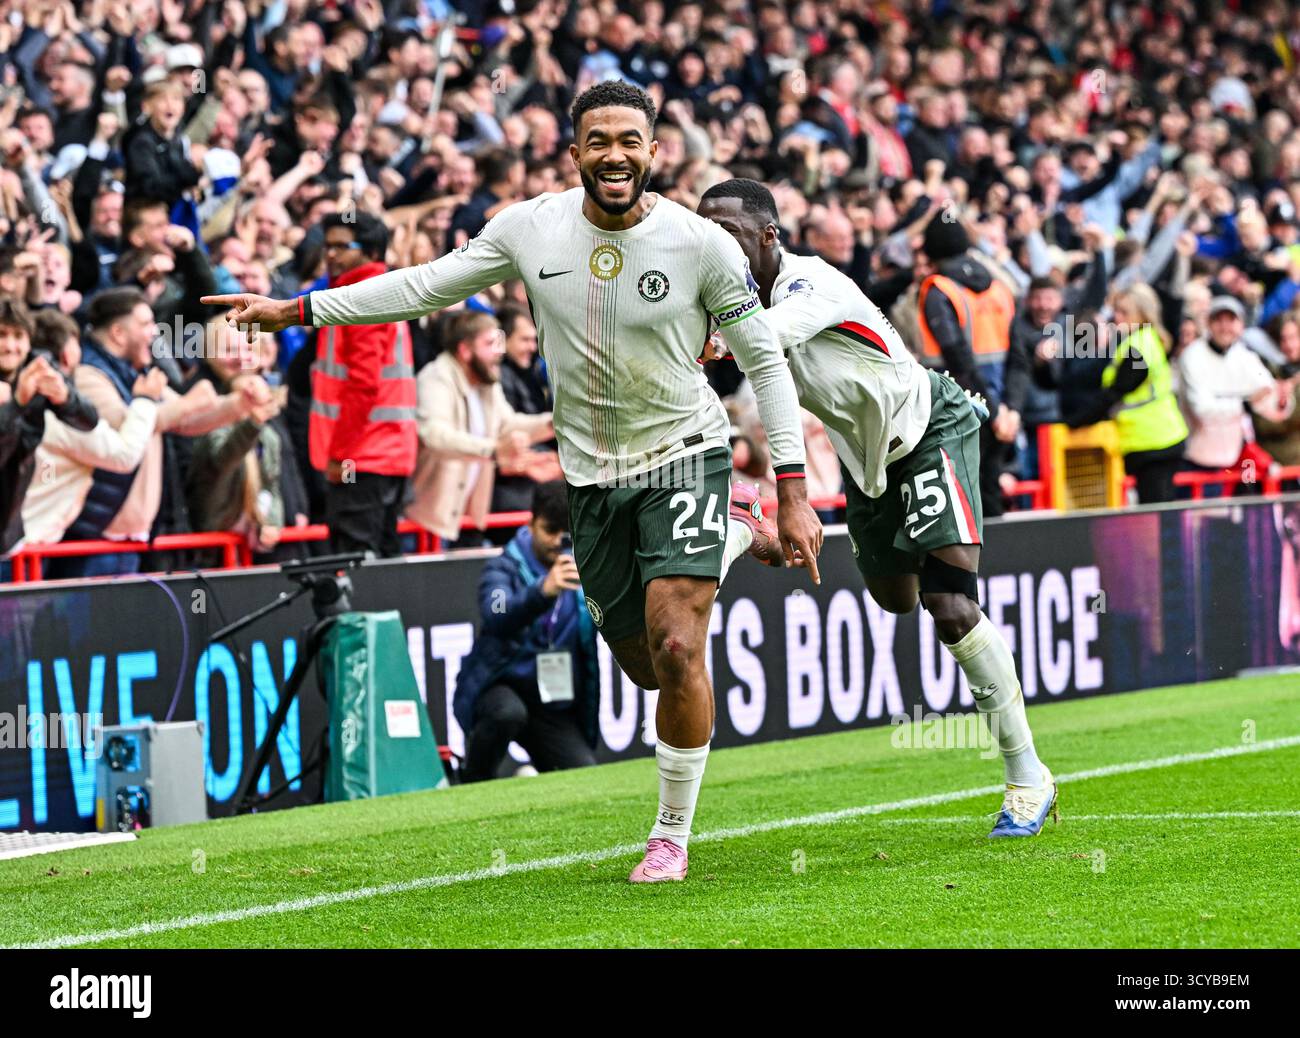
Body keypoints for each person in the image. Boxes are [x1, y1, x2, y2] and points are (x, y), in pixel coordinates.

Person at [205, 81, 823, 885]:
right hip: (594, 479)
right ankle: (738, 535)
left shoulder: (701, 245)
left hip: (686, 454)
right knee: (642, 663)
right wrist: (299, 310)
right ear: (574, 154)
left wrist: (794, 487)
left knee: (679, 644)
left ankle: (669, 835)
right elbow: (423, 285)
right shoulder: (530, 228)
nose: (615, 155)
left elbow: (766, 362)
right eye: (598, 140)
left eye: (630, 140)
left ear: (654, 152)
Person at [698, 178, 1056, 838]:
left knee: (950, 605)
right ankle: (929, 562)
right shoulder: (725, 301)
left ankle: (1027, 775)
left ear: (768, 237)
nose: (714, 246)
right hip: (867, 469)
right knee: (897, 599)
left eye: (729, 234)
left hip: (927, 428)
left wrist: (709, 343)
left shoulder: (810, 285)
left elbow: (765, 339)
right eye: (705, 234)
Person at [454, 480, 599, 782]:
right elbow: (496, 616)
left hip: (549, 700)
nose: (557, 541)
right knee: (507, 713)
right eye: (549, 531)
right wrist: (541, 592)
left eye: (565, 534)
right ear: (531, 522)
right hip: (499, 687)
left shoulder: (582, 565)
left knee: (583, 777)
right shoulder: (502, 567)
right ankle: (471, 781)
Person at [309, 212, 418, 557]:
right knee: (380, 562)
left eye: (343, 246)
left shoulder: (360, 297)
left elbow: (363, 385)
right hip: (381, 454)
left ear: (372, 253)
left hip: (362, 456)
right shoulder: (368, 293)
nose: (331, 255)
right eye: (327, 246)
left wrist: (340, 456)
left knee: (354, 564)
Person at [407, 310, 555, 548]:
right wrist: (495, 450)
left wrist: (555, 423)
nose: (499, 352)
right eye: (489, 344)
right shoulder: (436, 377)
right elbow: (434, 434)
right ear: (465, 350)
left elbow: (508, 425)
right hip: (428, 521)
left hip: (468, 516)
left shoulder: (486, 381)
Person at [914, 213, 1020, 517]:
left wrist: (997, 412)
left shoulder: (938, 290)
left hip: (956, 415)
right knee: (991, 496)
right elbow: (1018, 358)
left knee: (962, 509)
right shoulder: (1000, 288)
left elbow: (958, 359)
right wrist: (1009, 410)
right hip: (1001, 415)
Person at [1069, 285, 1189, 503]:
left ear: (1142, 313)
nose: (1117, 317)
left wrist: (1074, 422)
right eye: (1116, 310)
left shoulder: (1139, 347)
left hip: (1154, 441)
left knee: (1156, 514)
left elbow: (1115, 393)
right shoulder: (1142, 340)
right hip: (1154, 439)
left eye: (1124, 311)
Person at [0, 299, 98, 555]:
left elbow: (90, 422)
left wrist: (65, 397)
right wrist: (16, 404)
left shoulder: (39, 367)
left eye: (18, 336)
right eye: (1, 335)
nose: (10, 346)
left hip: (11, 526)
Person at [1177, 295, 1297, 484]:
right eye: (1219, 320)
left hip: (1237, 458)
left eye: (1230, 320)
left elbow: (1267, 398)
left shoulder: (1245, 357)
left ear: (1240, 324)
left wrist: (1281, 400)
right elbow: (1202, 408)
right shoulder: (1193, 356)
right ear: (1209, 323)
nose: (1225, 327)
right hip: (1197, 457)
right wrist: (1245, 403)